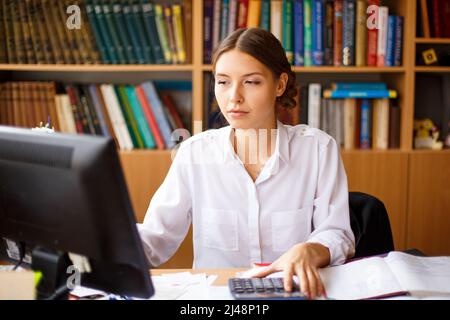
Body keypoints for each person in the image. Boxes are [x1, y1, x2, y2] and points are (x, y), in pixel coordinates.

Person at [138, 28, 355, 299]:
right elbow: (155, 240)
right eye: (223, 82)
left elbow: (337, 233)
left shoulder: (318, 149)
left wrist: (312, 249)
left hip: (291, 292)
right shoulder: (194, 153)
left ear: (279, 85)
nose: (233, 97)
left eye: (251, 82)